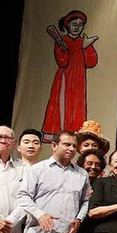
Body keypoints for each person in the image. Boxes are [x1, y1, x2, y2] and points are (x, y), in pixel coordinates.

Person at [41, 11, 98, 142]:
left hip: (78, 80)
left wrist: (86, 47)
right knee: (62, 106)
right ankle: (58, 135)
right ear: (68, 26)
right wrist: (63, 48)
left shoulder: (83, 41)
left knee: (77, 107)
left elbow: (91, 62)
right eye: (74, 24)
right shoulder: (63, 40)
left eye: (80, 24)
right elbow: (62, 61)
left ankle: (76, 135)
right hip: (65, 79)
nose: (77, 27)